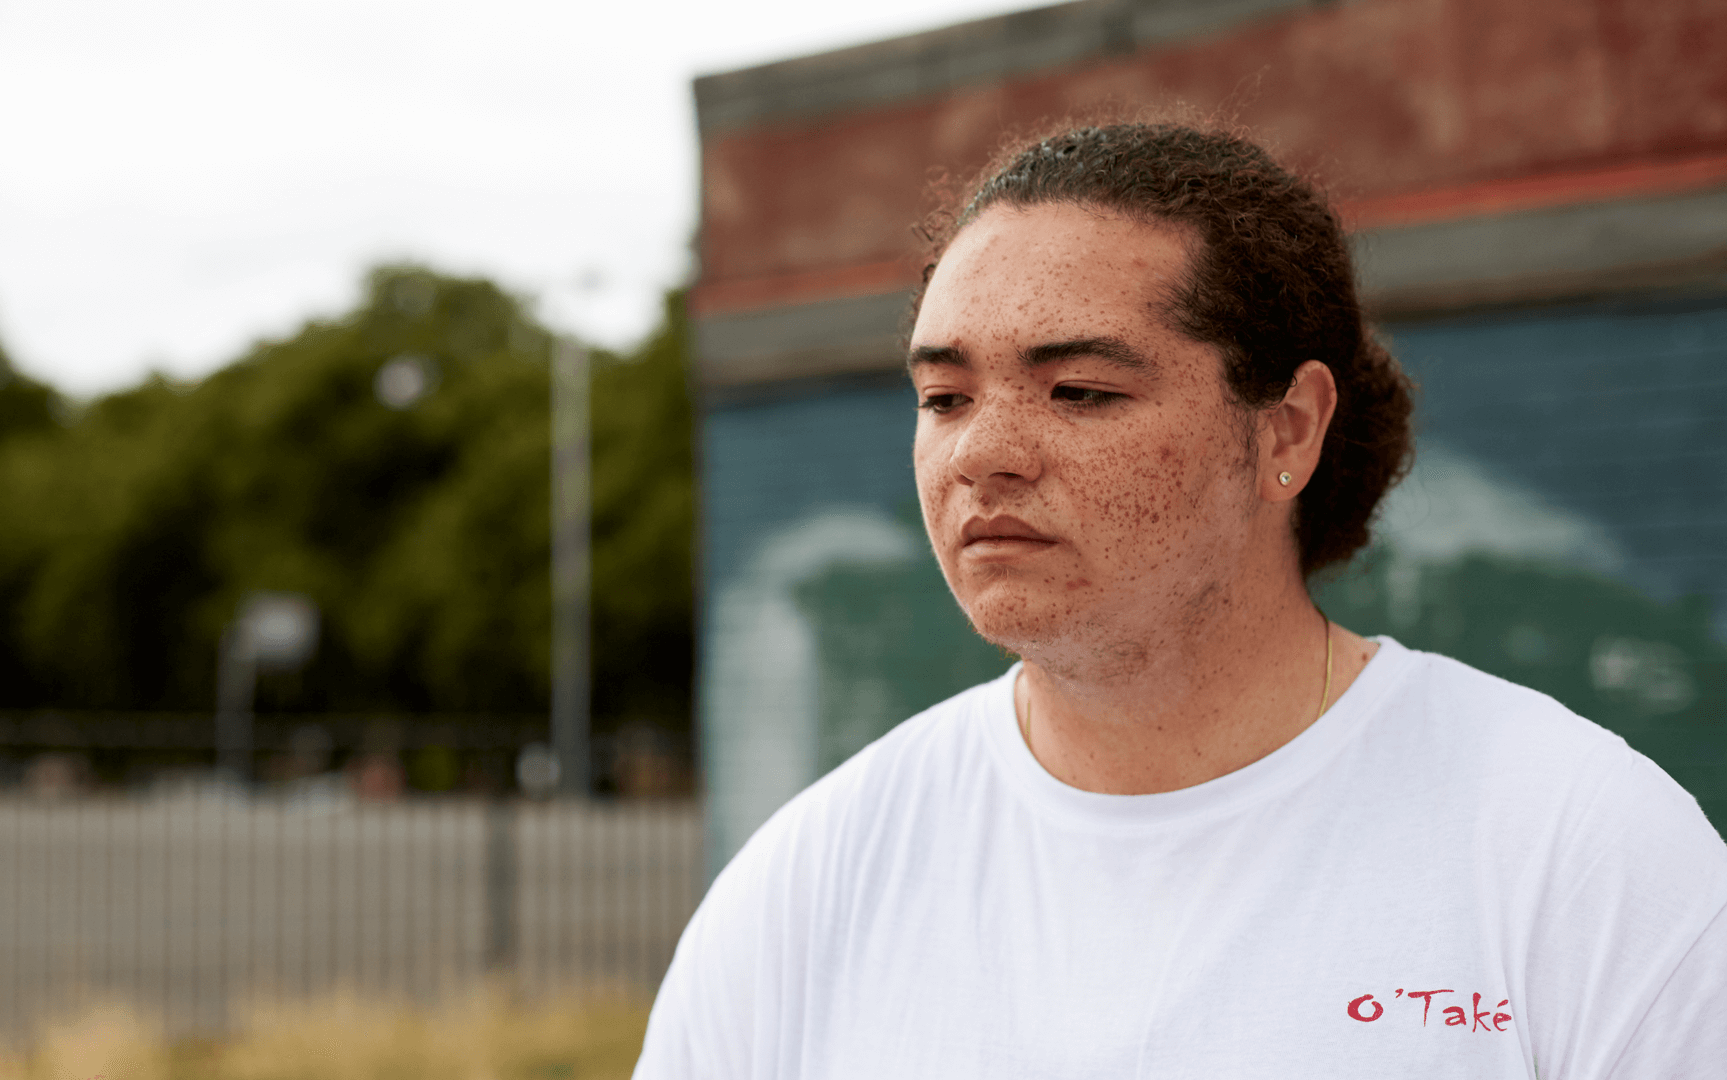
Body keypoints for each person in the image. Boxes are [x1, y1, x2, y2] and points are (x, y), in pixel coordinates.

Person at [634, 124, 1727, 1077]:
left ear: (1286, 429)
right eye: (944, 395)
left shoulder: (1578, 851)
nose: (984, 454)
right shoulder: (812, 885)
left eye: (1082, 391)